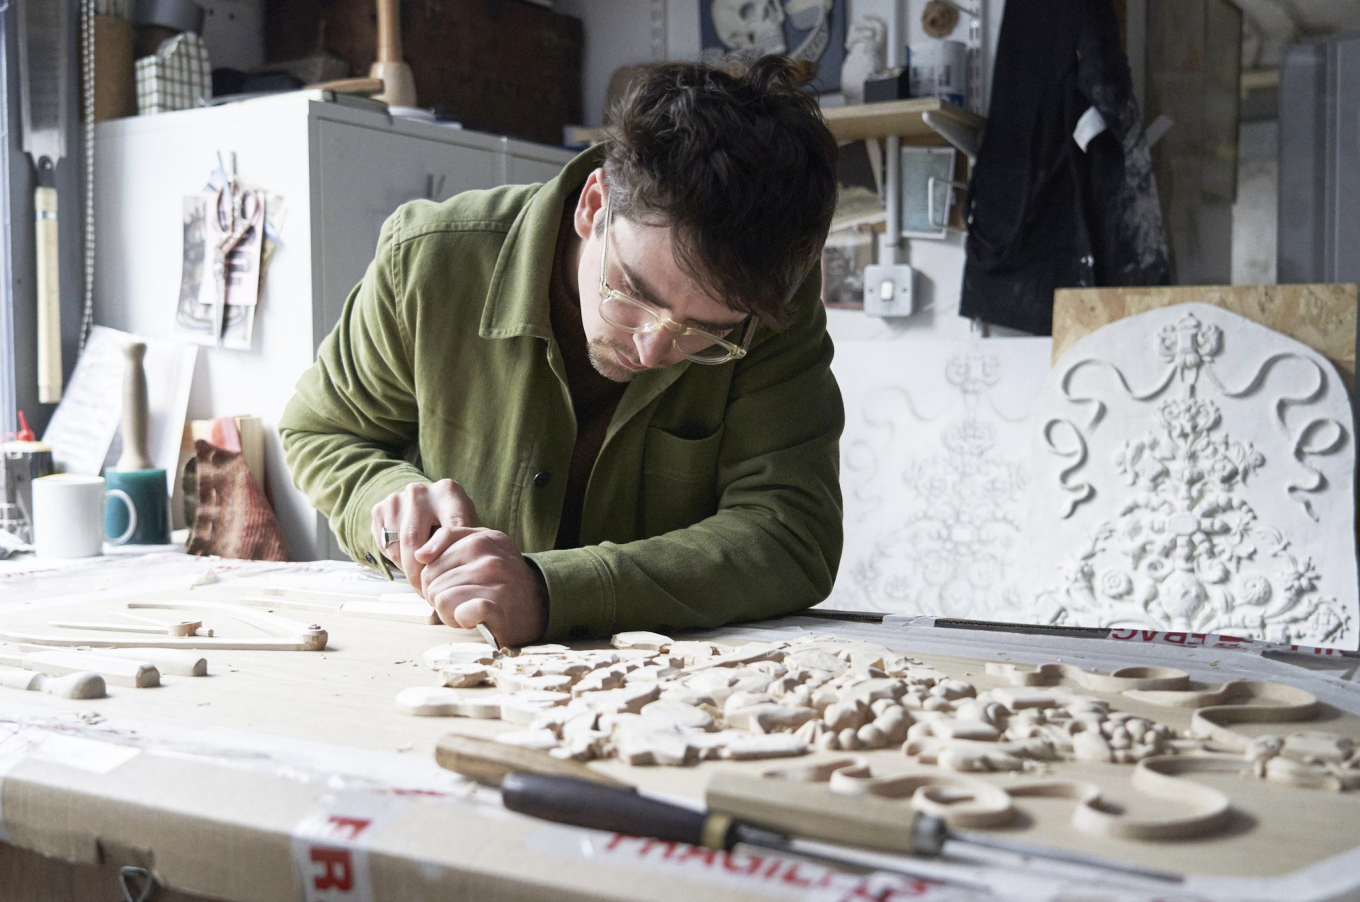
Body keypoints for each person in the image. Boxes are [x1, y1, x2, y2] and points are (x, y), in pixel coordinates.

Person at [279, 56, 844, 646]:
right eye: (632, 292)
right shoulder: (428, 259)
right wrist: (389, 500)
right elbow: (320, 432)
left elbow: (790, 532)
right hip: (450, 654)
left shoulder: (769, 308)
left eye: (706, 331)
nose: (653, 350)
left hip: (670, 678)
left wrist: (552, 591)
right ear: (594, 206)